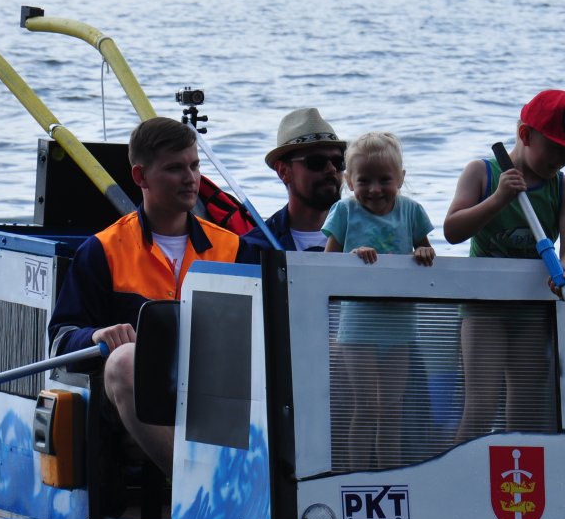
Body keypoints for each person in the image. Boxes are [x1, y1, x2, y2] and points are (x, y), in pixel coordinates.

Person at [48, 117, 246, 475]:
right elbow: (60, 341)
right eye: (174, 169)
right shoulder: (102, 250)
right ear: (140, 177)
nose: (190, 179)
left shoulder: (233, 247)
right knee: (124, 359)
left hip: (217, 392)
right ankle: (194, 485)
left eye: (194, 165)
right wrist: (95, 336)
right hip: (136, 403)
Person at [442, 89, 565, 442]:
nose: (563, 158)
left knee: (526, 408)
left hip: (532, 309)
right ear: (526, 135)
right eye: (556, 147)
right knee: (482, 405)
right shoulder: (482, 173)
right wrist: (499, 199)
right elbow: (452, 230)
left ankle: (518, 493)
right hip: (482, 308)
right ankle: (459, 479)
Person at [322, 131, 435, 469]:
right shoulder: (344, 210)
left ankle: (390, 472)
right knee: (366, 406)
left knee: (391, 409)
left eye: (384, 179)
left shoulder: (411, 211)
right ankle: (358, 474)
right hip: (358, 326)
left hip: (399, 324)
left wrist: (425, 251)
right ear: (349, 181)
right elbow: (324, 263)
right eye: (364, 180)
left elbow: (425, 249)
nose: (374, 189)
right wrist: (352, 255)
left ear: (400, 178)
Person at [237, 108, 347, 262]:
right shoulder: (256, 249)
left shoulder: (366, 235)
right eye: (317, 162)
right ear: (283, 171)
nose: (331, 169)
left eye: (338, 161)